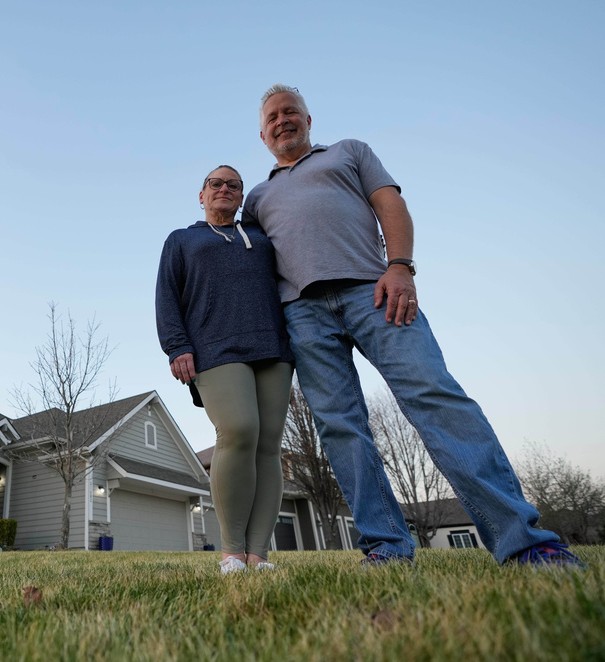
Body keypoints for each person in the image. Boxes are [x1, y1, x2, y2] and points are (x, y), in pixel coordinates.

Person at [241, 83, 580, 567]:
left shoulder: (349, 153)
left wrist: (400, 265)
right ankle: (386, 548)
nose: (282, 120)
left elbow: (390, 204)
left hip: (374, 291)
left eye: (290, 111)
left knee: (435, 396)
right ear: (262, 135)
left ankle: (525, 542)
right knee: (340, 427)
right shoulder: (258, 197)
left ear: (309, 120)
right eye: (272, 117)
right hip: (303, 313)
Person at [156, 165, 295, 574]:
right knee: (238, 430)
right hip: (215, 349)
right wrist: (177, 346)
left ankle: (259, 554)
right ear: (202, 195)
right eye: (215, 184)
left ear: (240, 197)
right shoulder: (183, 239)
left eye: (233, 185)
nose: (224, 189)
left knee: (268, 445)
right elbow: (167, 296)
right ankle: (232, 551)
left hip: (273, 347)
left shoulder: (261, 240)